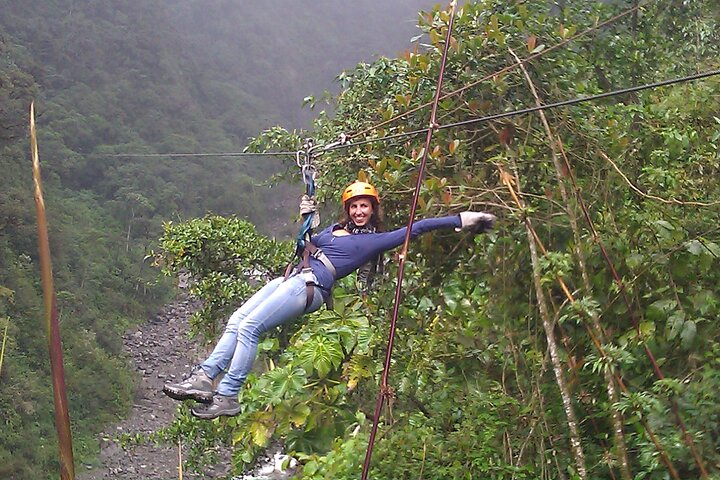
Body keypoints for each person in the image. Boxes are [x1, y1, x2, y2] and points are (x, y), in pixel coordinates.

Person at [163, 181, 496, 419]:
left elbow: (418, 227)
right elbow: (306, 243)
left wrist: (462, 220)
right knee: (237, 320)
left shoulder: (374, 242)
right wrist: (307, 216)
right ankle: (205, 377)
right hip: (291, 277)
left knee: (250, 328)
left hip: (310, 286)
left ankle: (228, 395)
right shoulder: (331, 232)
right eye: (355, 206)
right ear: (348, 210)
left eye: (365, 205)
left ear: (373, 210)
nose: (360, 210)